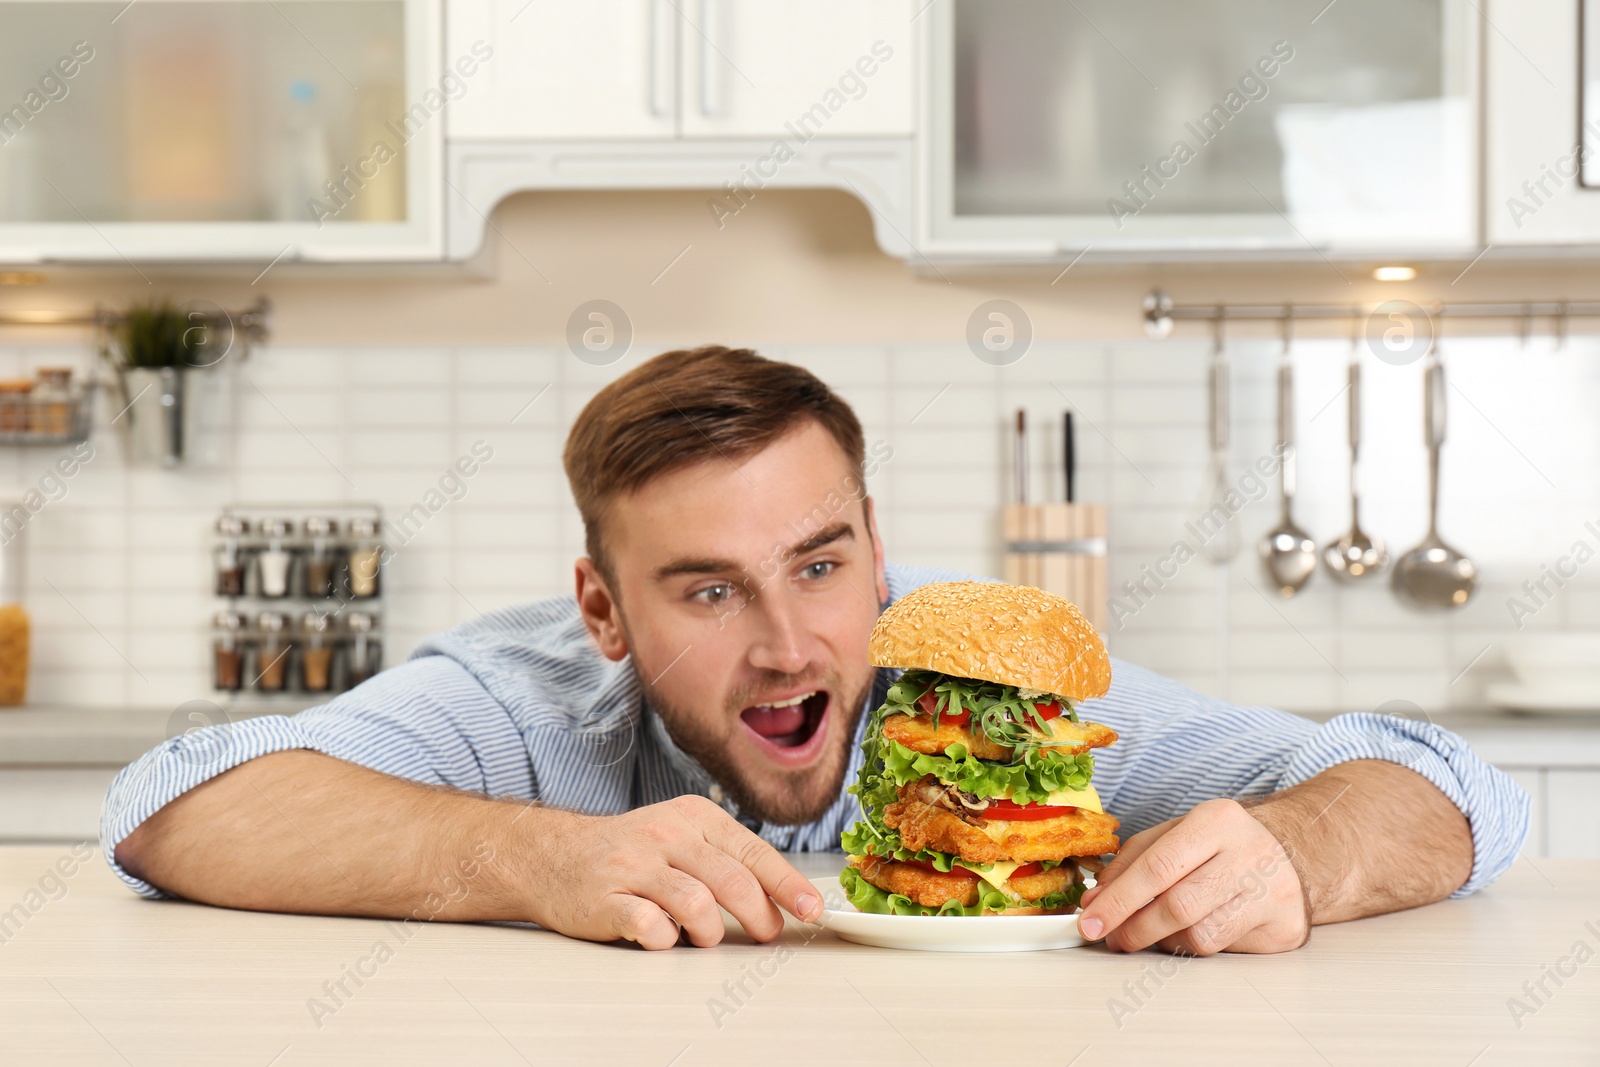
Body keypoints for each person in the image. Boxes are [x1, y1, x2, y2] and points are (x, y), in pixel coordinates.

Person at [105, 346, 1529, 955]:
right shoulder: (524, 699)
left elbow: (1439, 777)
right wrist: (535, 862)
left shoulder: (982, 683)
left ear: (876, 548)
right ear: (603, 611)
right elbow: (181, 799)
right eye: (708, 593)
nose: (792, 647)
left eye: (820, 566)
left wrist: (1298, 857)